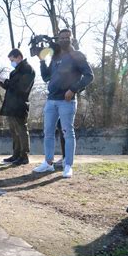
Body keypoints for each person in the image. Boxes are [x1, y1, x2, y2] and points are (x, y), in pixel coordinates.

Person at [33, 28, 94, 178]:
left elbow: (89, 76)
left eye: (67, 37)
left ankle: (68, 165)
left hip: (67, 101)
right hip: (51, 100)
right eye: (62, 38)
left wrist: (73, 89)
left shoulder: (77, 55)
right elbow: (47, 77)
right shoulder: (55, 56)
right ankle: (48, 164)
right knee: (47, 133)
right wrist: (41, 60)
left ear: (71, 39)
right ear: (58, 39)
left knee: (68, 133)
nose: (64, 40)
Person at [0, 48, 35, 165]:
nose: (11, 63)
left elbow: (22, 88)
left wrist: (7, 82)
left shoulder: (28, 69)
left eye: (12, 60)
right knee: (14, 131)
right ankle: (16, 154)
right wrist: (0, 81)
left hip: (20, 105)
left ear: (19, 57)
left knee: (22, 130)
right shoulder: (13, 72)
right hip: (10, 105)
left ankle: (24, 156)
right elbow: (10, 87)